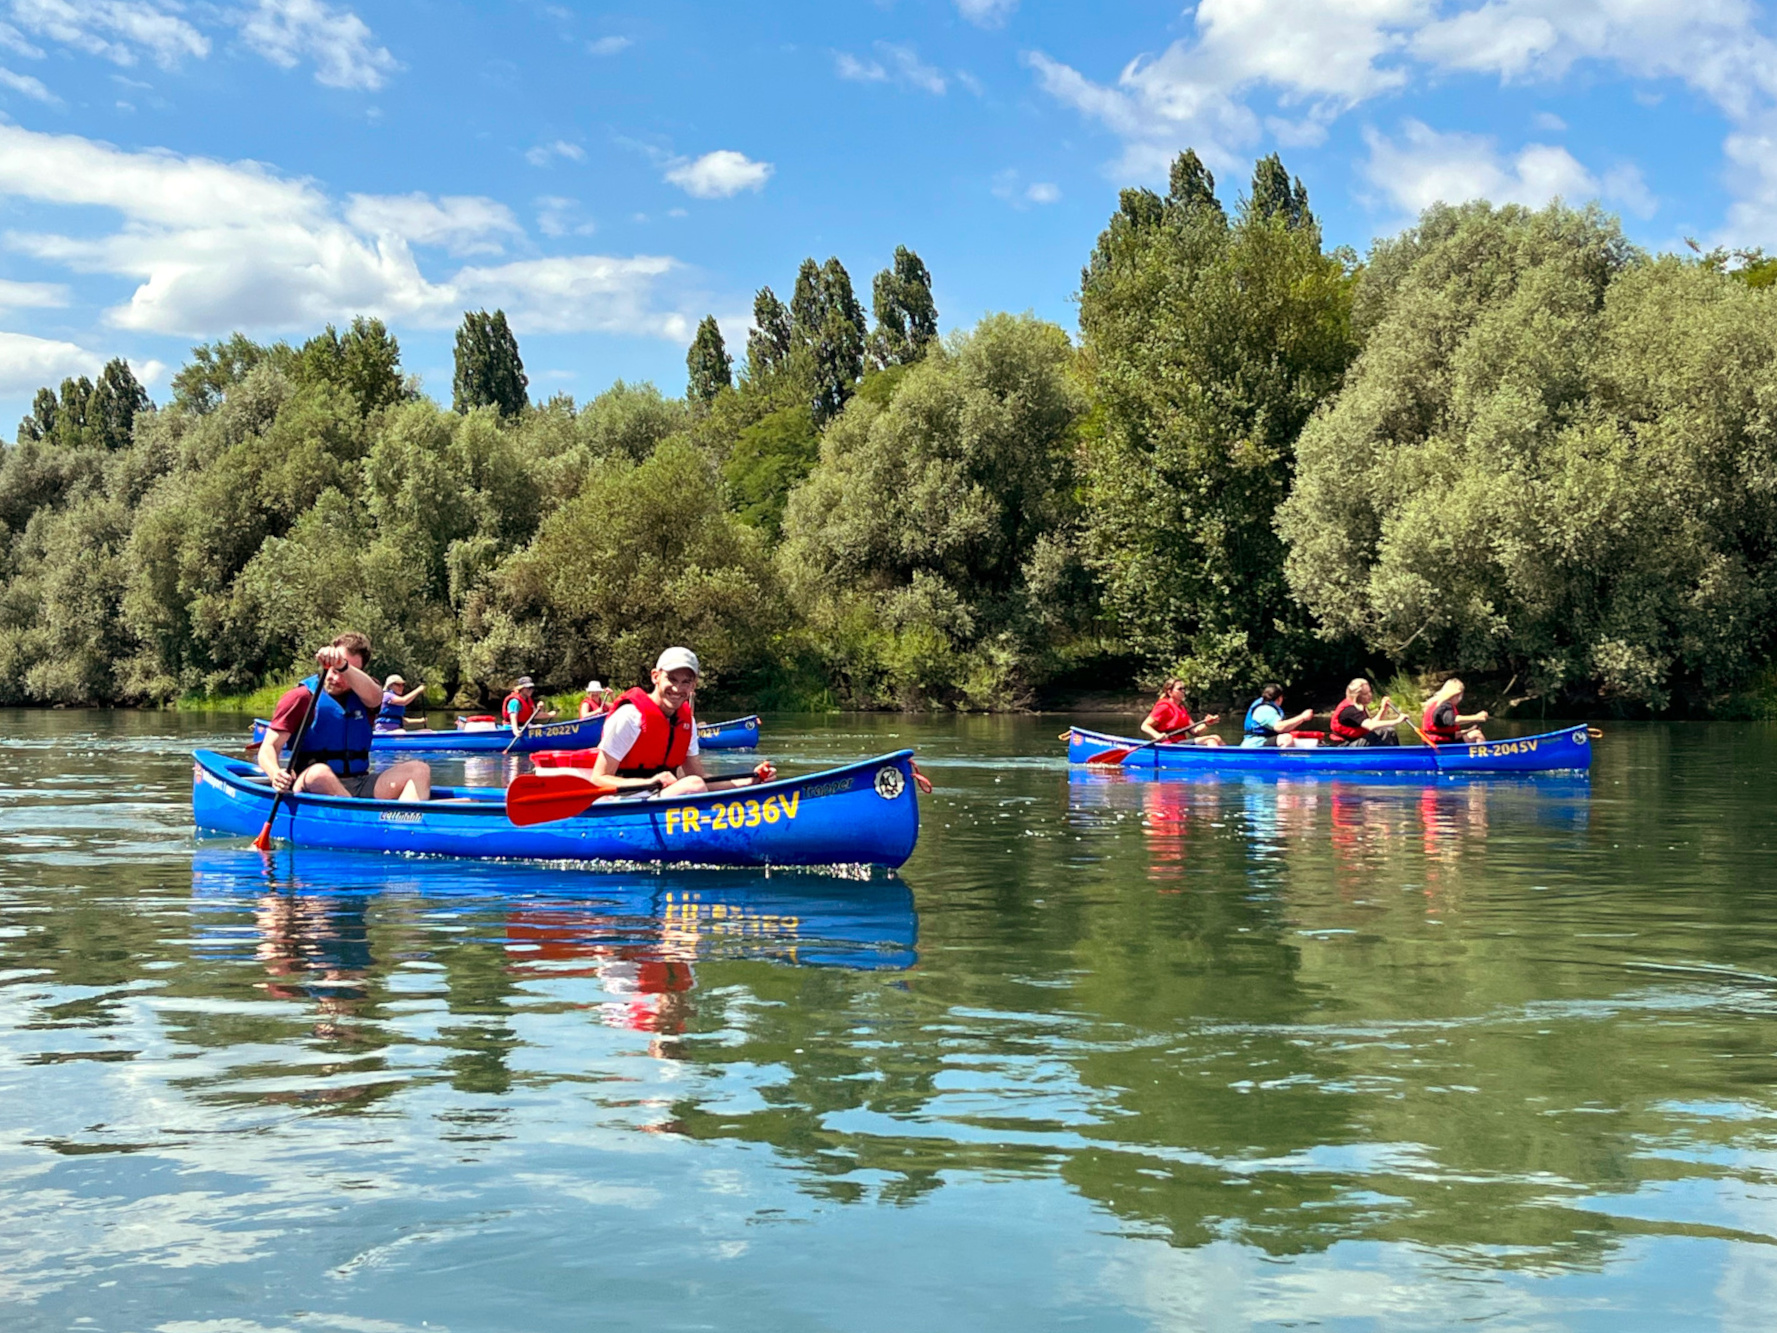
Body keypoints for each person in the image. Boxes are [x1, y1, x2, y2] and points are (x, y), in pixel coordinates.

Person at [258, 633, 432, 801]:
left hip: (359, 783)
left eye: (344, 671)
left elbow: (376, 697)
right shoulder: (301, 697)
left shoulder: (367, 695)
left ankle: (401, 825)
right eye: (334, 669)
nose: (335, 678)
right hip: (311, 785)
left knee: (420, 770)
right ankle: (359, 817)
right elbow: (268, 748)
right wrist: (275, 774)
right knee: (320, 773)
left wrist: (343, 665)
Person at [582, 647, 774, 798]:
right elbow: (599, 779)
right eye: (671, 679)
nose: (677, 688)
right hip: (623, 800)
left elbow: (702, 779)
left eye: (686, 682)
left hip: (660, 797)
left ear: (693, 685)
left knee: (695, 782)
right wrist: (650, 783)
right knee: (693, 785)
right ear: (655, 677)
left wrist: (751, 780)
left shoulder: (686, 722)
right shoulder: (629, 717)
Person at [1140, 679, 1224, 746]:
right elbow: (1145, 726)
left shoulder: (1181, 708)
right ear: (1169, 692)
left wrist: (1206, 723)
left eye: (1184, 689)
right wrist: (1157, 735)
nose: (1183, 691)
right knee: (1211, 740)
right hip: (1170, 743)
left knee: (1216, 737)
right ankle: (1215, 764)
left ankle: (1228, 759)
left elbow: (1195, 731)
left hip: (1180, 742)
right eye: (1180, 689)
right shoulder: (1164, 707)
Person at [1326, 678, 1402, 747]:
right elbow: (1371, 726)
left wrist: (1383, 709)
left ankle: (1393, 755)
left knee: (1386, 731)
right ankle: (1394, 756)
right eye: (1365, 694)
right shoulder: (1350, 710)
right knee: (1387, 731)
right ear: (1357, 696)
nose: (1370, 695)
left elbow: (1371, 724)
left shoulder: (1358, 707)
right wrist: (1397, 721)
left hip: (1353, 742)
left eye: (1369, 692)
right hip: (1345, 746)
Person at [1241, 683, 1316, 748]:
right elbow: (1280, 727)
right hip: (1255, 744)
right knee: (1286, 739)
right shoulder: (1264, 709)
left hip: (1264, 741)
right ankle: (1284, 763)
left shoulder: (1267, 706)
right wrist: (1302, 717)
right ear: (1280, 698)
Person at [1423, 678, 1488, 744]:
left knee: (1473, 732)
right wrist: (1477, 717)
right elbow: (1453, 720)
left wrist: (1469, 730)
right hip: (1440, 744)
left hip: (1436, 742)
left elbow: (1448, 733)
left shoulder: (1434, 704)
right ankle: (1485, 754)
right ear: (1458, 694)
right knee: (1477, 734)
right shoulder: (1445, 705)